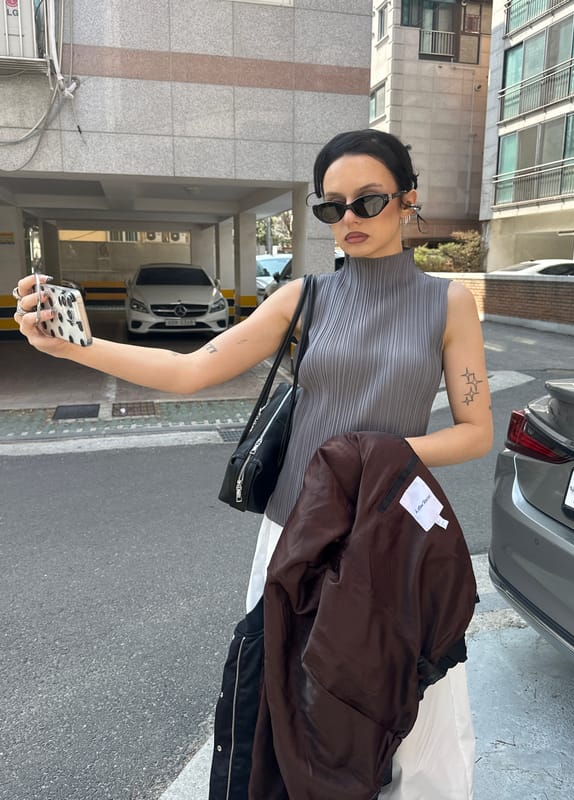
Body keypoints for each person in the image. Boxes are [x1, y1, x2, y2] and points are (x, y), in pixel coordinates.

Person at [13, 128, 493, 799]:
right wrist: (78, 349)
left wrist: (369, 459)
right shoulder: (306, 299)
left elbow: (475, 432)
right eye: (331, 207)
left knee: (428, 714)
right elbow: (191, 371)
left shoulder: (446, 303)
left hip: (389, 539)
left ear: (409, 198)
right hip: (292, 536)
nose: (348, 219)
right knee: (288, 706)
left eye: (368, 200)